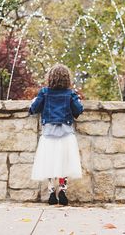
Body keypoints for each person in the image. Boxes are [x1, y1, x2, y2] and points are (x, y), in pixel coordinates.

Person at [29, 64, 84, 206]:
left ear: (50, 78)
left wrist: (34, 101)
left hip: (48, 135)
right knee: (64, 163)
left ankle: (52, 192)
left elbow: (34, 109)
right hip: (66, 134)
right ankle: (63, 190)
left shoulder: (44, 92)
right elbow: (78, 110)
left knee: (49, 163)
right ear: (67, 79)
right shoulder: (70, 94)